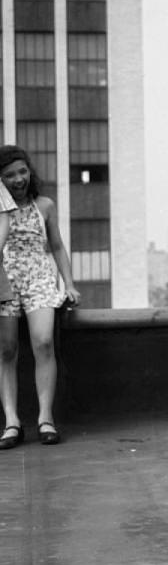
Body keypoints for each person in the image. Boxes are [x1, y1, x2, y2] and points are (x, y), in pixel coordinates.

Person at [0, 145, 81, 449]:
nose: (18, 179)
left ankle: (45, 417)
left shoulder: (44, 205)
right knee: (6, 350)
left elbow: (57, 246)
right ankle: (11, 421)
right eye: (9, 175)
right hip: (4, 278)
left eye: (22, 171)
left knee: (44, 341)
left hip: (39, 278)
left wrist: (69, 283)